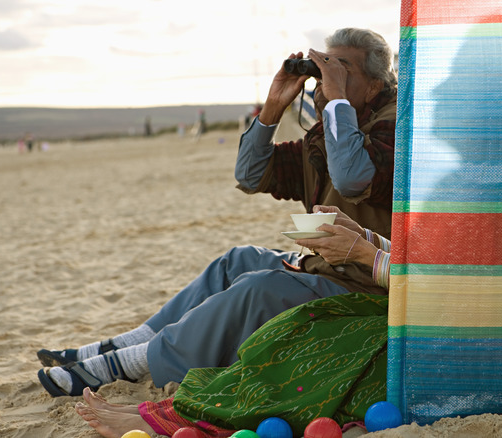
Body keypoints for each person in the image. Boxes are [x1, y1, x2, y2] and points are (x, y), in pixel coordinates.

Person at [36, 26, 398, 399]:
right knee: (238, 261)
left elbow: (353, 177)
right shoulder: (328, 132)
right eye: (325, 69)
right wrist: (272, 109)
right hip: (331, 269)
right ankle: (126, 345)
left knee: (259, 289)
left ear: (373, 86)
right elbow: (250, 175)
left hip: (372, 282)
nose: (327, 78)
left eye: (342, 69)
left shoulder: (396, 126)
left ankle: (133, 364)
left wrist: (336, 100)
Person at [74, 213, 392, 438]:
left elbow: (437, 286)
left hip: (396, 306)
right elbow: (252, 173)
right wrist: (367, 238)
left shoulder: (385, 131)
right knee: (241, 263)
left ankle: (156, 398)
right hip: (354, 277)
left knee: (277, 318)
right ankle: (135, 348)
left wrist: (364, 253)